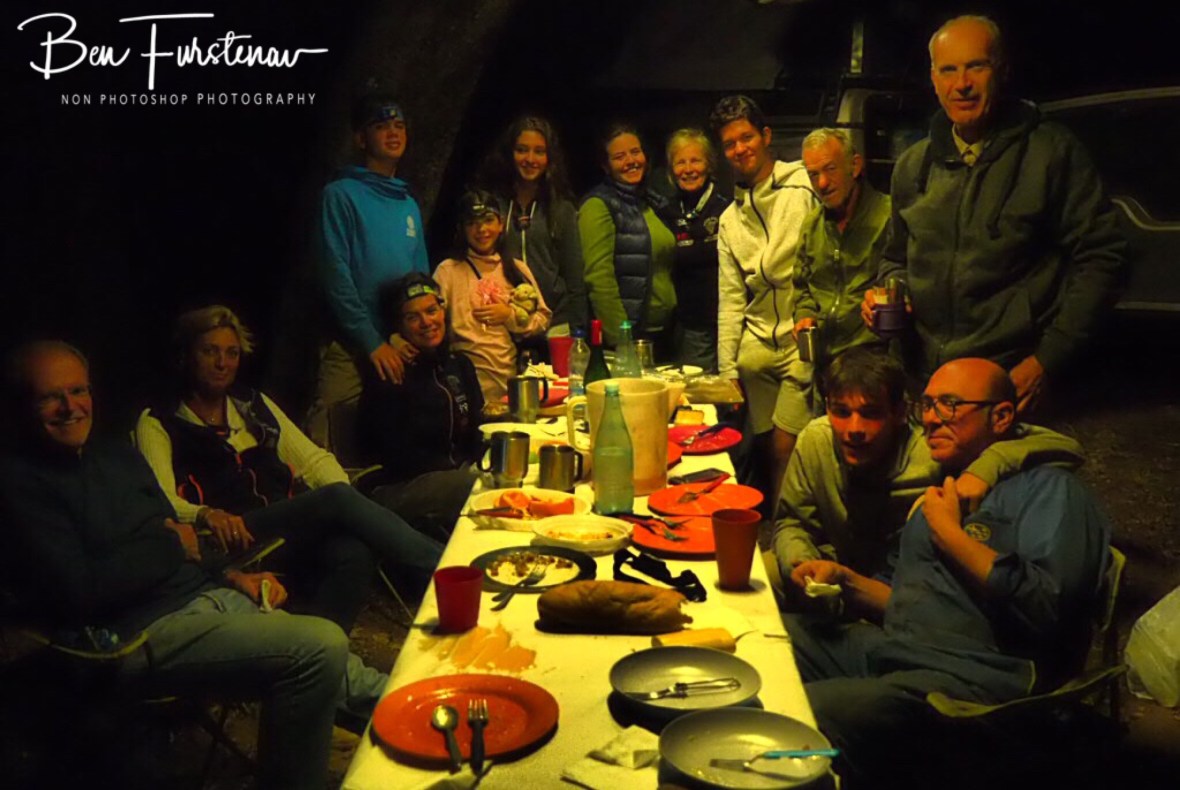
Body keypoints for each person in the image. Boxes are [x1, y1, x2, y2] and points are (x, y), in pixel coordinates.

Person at [0, 341, 356, 790]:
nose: (71, 407)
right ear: (19, 406)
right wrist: (170, 546)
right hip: (134, 635)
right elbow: (82, 590)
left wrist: (230, 575)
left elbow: (173, 538)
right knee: (317, 645)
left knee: (348, 666)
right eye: (51, 397)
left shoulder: (116, 455)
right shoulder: (18, 486)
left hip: (198, 595)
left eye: (78, 391)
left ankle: (438, 708)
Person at [785, 357, 1111, 786]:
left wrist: (947, 530)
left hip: (972, 683)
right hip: (899, 650)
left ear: (1001, 416)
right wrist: (845, 581)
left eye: (950, 405)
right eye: (929, 405)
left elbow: (1049, 608)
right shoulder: (946, 489)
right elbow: (902, 598)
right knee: (768, 637)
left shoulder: (1051, 492)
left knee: (807, 710)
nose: (933, 419)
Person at [863, 15, 1124, 414]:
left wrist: (1046, 360)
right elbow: (894, 258)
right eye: (948, 70)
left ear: (1000, 70)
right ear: (933, 79)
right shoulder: (914, 165)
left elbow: (1103, 257)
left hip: (1005, 383)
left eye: (975, 66)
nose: (961, 84)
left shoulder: (1049, 152)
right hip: (924, 381)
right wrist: (888, 293)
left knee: (997, 478)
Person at [135, 305, 444, 621]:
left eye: (231, 353)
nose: (222, 363)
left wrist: (348, 503)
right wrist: (204, 514)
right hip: (232, 536)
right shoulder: (160, 420)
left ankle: (324, 653)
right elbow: (163, 503)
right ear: (186, 355)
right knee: (337, 498)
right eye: (209, 352)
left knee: (352, 550)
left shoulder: (251, 404)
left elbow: (312, 459)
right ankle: (447, 567)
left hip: (285, 523)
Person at [770, 347, 1084, 589]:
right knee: (755, 580)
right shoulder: (817, 440)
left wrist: (987, 466)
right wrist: (800, 562)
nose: (854, 428)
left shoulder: (933, 447)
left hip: (906, 585)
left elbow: (1066, 447)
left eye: (870, 413)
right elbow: (791, 521)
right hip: (833, 565)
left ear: (899, 412)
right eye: (841, 412)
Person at [308, 92, 430, 449]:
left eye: (399, 125)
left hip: (397, 342)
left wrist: (406, 334)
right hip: (352, 344)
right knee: (331, 436)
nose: (393, 133)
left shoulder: (407, 203)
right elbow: (336, 276)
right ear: (362, 138)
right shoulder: (341, 194)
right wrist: (372, 340)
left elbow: (419, 280)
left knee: (392, 440)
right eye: (381, 126)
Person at [712, 95, 820, 497]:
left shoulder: (803, 186)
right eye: (730, 144)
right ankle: (778, 525)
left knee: (787, 445)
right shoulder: (729, 220)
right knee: (767, 448)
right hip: (756, 350)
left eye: (747, 138)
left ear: (766, 136)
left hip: (800, 340)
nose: (740, 149)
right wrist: (727, 373)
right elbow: (731, 297)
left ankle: (788, 532)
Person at [359, 273, 483, 541]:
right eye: (412, 317)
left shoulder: (459, 364)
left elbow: (478, 428)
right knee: (478, 485)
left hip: (455, 476)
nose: (427, 322)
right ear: (399, 327)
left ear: (443, 310)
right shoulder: (391, 373)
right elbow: (393, 454)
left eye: (431, 310)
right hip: (399, 486)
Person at [433, 190, 552, 402]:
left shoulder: (516, 268)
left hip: (513, 384)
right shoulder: (448, 271)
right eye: (472, 223)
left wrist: (510, 316)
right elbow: (433, 320)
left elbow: (543, 317)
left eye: (488, 221)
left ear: (500, 224)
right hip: (465, 385)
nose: (482, 230)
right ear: (462, 228)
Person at [478, 115, 587, 337]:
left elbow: (575, 279)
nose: (530, 159)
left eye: (539, 151)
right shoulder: (492, 205)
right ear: (510, 153)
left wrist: (578, 333)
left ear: (549, 158)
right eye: (522, 150)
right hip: (504, 320)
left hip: (556, 324)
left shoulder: (561, 209)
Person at [793, 128, 891, 368]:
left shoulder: (888, 216)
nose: (822, 183)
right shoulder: (812, 225)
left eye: (830, 169)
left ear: (855, 166)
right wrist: (805, 315)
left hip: (873, 359)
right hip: (825, 360)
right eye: (813, 175)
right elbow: (802, 287)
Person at [579, 123, 677, 350]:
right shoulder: (598, 205)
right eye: (619, 156)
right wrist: (622, 340)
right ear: (606, 166)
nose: (631, 161)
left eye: (635, 152)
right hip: (631, 337)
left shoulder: (653, 201)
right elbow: (599, 278)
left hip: (664, 332)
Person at [656, 128, 730, 372]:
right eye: (680, 162)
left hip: (729, 323)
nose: (688, 169)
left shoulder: (727, 208)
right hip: (688, 327)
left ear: (709, 165)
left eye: (695, 160)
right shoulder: (665, 212)